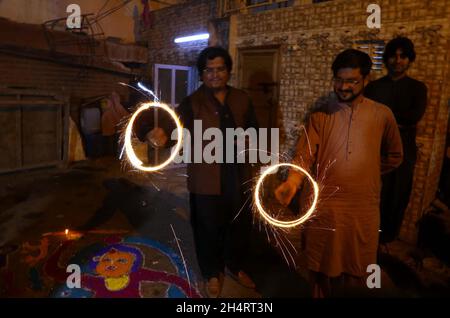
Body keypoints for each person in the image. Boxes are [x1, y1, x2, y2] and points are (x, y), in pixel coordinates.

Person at [274, 49, 403, 297]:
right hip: (325, 205)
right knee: (320, 267)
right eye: (339, 80)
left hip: (361, 208)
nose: (343, 87)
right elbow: (304, 155)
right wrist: (292, 182)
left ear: (366, 80)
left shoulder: (382, 115)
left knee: (355, 269)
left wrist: (368, 173)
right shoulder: (320, 115)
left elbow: (395, 156)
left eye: (352, 81)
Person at [138, 46, 258, 297]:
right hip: (206, 176)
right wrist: (156, 135)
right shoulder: (191, 103)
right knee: (207, 227)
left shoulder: (242, 99)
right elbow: (171, 129)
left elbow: (254, 130)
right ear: (202, 74)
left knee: (238, 225)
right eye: (209, 70)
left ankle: (235, 266)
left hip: (238, 175)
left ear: (229, 71)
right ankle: (211, 273)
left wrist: (250, 141)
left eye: (220, 69)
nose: (215, 75)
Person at [365, 37, 427, 244]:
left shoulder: (418, 88)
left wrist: (383, 120)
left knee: (397, 195)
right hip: (374, 149)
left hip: (404, 152)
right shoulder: (373, 87)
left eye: (403, 56)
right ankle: (367, 233)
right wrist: (396, 122)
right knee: (370, 192)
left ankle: (387, 240)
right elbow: (366, 116)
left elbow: (413, 117)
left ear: (410, 60)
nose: (397, 60)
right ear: (387, 59)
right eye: (393, 55)